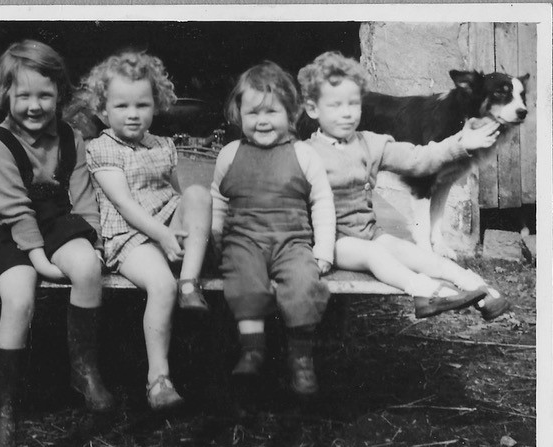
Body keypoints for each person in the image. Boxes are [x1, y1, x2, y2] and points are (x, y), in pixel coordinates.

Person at [0, 40, 115, 447]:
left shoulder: (71, 137)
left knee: (86, 268)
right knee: (18, 297)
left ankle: (83, 371)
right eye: (24, 95)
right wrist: (37, 259)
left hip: (54, 218)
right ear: (5, 96)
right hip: (8, 224)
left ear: (59, 95)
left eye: (45, 95)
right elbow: (13, 208)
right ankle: (4, 410)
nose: (35, 105)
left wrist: (94, 241)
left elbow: (83, 197)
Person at [297, 51, 510, 320]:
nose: (347, 114)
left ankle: (479, 289)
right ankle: (427, 293)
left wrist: (460, 143)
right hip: (335, 241)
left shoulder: (370, 143)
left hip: (368, 232)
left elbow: (418, 158)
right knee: (375, 255)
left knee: (417, 254)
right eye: (336, 106)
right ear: (313, 109)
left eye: (354, 104)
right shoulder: (303, 153)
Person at [81, 50, 212, 411]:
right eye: (122, 106)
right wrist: (165, 236)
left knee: (199, 195)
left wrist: (186, 222)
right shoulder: (103, 149)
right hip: (128, 234)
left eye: (142, 104)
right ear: (103, 110)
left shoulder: (163, 145)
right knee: (160, 285)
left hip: (164, 220)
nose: (133, 114)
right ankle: (158, 379)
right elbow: (124, 204)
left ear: (157, 104)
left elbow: (175, 194)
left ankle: (190, 282)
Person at [211, 61, 336, 397]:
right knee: (244, 282)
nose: (262, 121)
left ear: (292, 113)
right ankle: (252, 350)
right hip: (243, 240)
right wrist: (216, 237)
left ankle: (301, 358)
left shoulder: (304, 154)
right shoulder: (230, 154)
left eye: (272, 112)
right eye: (253, 113)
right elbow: (218, 200)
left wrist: (323, 250)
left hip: (291, 241)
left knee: (303, 283)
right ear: (238, 114)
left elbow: (322, 202)